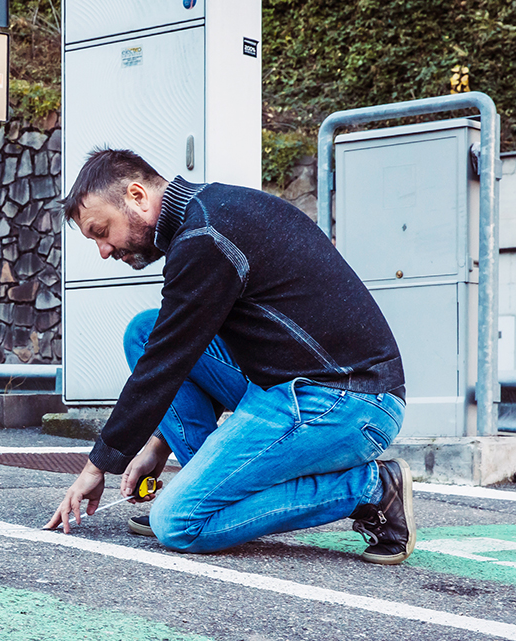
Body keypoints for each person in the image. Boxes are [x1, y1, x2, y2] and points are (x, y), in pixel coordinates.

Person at [45, 148, 416, 565]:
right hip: (291, 383)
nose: (103, 251)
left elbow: (164, 364)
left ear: (136, 196)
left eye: (101, 231)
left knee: (179, 524)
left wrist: (95, 468)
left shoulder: (206, 237)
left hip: (347, 401)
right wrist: (159, 443)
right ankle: (211, 492)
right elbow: (180, 346)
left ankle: (371, 488)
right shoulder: (209, 214)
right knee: (145, 331)